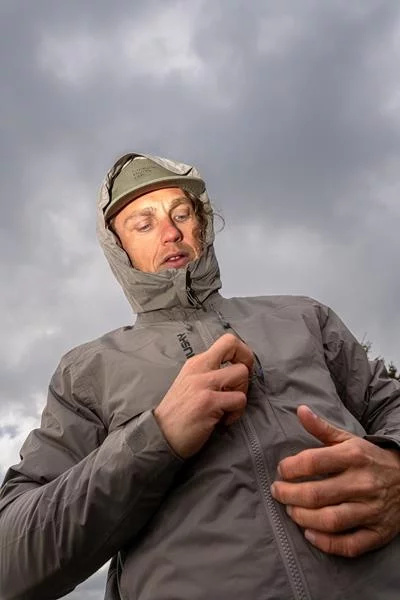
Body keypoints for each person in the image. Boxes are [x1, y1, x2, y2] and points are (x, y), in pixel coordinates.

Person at [1, 152, 400, 600]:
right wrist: (156, 435)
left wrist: (396, 467)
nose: (171, 233)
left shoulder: (305, 316)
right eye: (144, 224)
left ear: (202, 224)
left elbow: (391, 405)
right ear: (118, 247)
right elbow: (11, 563)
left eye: (181, 214)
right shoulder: (87, 369)